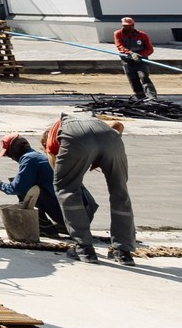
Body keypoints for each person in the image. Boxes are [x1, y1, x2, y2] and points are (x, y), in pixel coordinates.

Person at [42, 111, 137, 264]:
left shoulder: (52, 139)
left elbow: (60, 177)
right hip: (111, 139)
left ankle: (84, 248)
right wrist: (98, 156)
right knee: (120, 192)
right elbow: (118, 125)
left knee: (66, 189)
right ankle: (123, 251)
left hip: (78, 139)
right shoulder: (94, 122)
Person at [0, 132, 69, 237]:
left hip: (67, 213)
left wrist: (0, 185)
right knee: (27, 182)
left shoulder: (29, 159)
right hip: (78, 212)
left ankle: (44, 226)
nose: (10, 157)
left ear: (14, 150)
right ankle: (66, 226)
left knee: (26, 188)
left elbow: (18, 187)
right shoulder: (39, 156)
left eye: (8, 154)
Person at [112, 15, 157, 101]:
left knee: (144, 76)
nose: (128, 27)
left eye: (130, 25)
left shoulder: (142, 35)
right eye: (125, 26)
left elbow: (150, 49)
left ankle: (151, 96)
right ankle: (140, 97)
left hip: (141, 61)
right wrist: (130, 53)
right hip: (127, 61)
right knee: (133, 79)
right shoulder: (118, 34)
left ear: (133, 25)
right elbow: (119, 46)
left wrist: (141, 55)